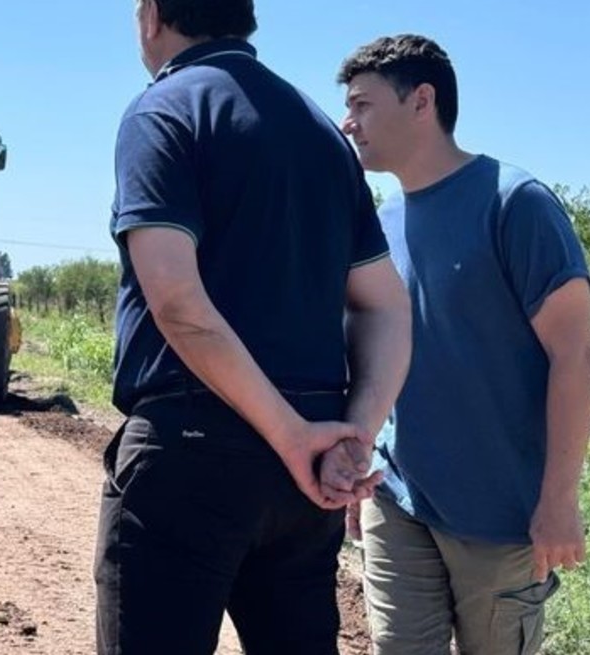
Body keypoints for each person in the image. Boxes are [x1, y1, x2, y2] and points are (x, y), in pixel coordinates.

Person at [94, 1, 413, 653]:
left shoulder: (165, 111)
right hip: (306, 475)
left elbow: (178, 303)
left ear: (152, 15)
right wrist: (352, 436)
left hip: (193, 452)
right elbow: (386, 306)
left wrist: (294, 435)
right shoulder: (322, 133)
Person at [338, 34, 590, 655]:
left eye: (363, 104)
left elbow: (575, 354)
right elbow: (373, 355)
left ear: (421, 101)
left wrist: (559, 500)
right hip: (397, 496)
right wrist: (358, 454)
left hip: (500, 515)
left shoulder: (514, 203)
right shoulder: (380, 224)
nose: (349, 123)